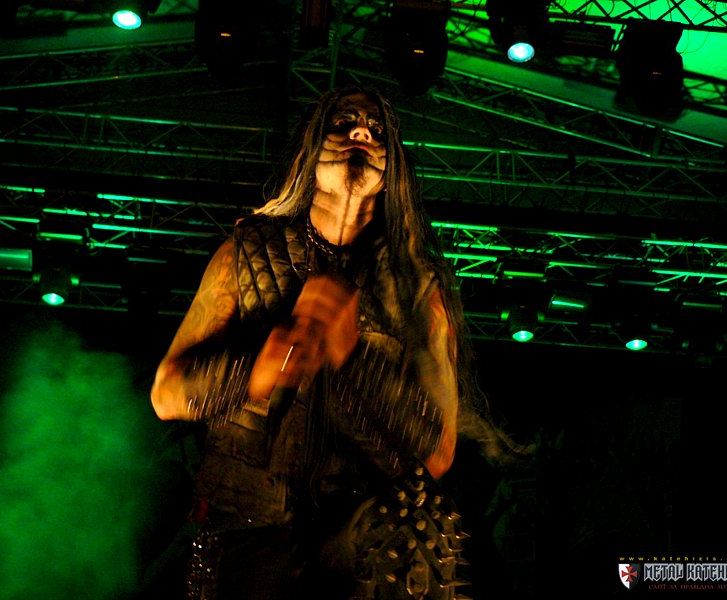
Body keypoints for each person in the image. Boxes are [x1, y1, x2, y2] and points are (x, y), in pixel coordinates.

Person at [150, 84, 526, 600]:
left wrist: (353, 359)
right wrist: (254, 369)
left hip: (362, 538)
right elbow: (166, 394)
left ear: (392, 171)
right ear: (311, 148)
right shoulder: (245, 252)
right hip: (246, 528)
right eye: (344, 122)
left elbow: (438, 452)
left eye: (377, 132)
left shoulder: (416, 286)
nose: (361, 134)